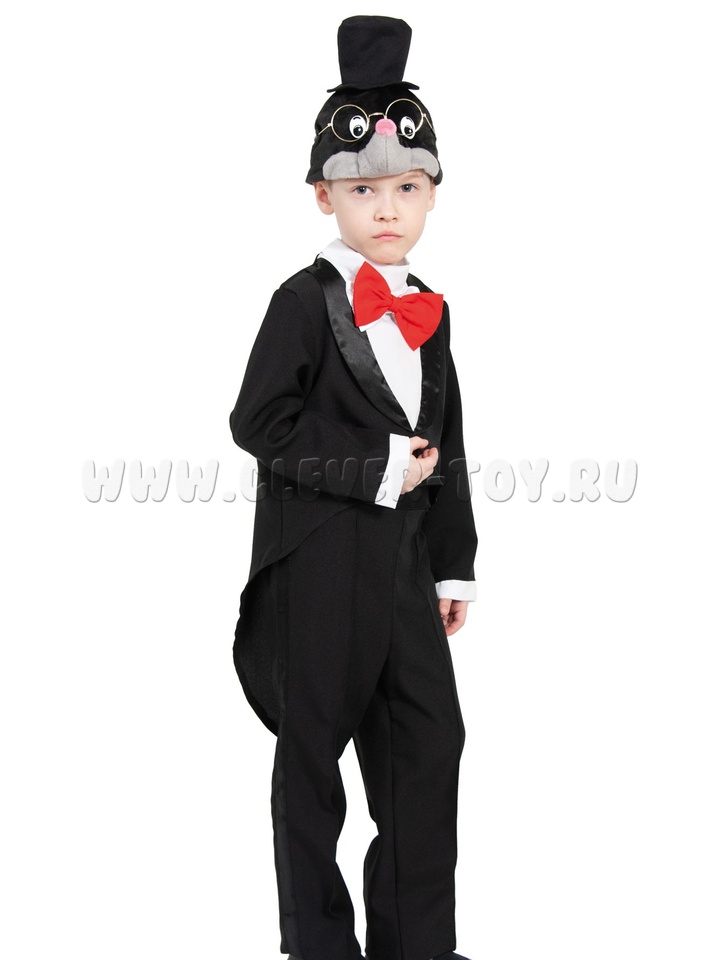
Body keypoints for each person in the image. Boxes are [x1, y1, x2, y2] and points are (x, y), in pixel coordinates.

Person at [229, 16, 477, 960]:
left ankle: (418, 945)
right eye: (362, 189)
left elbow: (450, 443)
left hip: (405, 570)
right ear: (323, 196)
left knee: (428, 745)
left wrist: (451, 565)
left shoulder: (430, 312)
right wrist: (372, 462)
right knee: (313, 763)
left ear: (432, 193)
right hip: (320, 565)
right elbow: (259, 422)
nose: (386, 209)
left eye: (406, 187)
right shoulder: (300, 303)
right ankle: (320, 948)